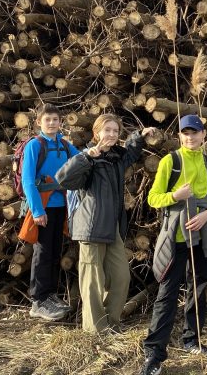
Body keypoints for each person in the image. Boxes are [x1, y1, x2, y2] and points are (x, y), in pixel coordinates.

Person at [140, 115, 207, 375]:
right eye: (185, 133)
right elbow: (153, 198)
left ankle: (192, 340)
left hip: (202, 237)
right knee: (167, 293)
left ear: (203, 136)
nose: (191, 137)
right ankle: (154, 352)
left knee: (198, 289)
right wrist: (175, 196)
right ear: (180, 136)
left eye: (195, 132)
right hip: (175, 239)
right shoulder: (170, 161)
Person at [56, 114, 154, 333]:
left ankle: (112, 322)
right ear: (96, 133)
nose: (111, 134)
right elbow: (63, 179)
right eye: (106, 130)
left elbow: (131, 153)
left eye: (115, 131)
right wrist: (86, 158)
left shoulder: (116, 158)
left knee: (121, 277)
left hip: (113, 228)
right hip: (91, 229)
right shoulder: (89, 157)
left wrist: (139, 136)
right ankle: (96, 330)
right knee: (92, 283)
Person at [21, 103, 80, 321]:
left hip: (60, 205)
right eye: (48, 120)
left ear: (60, 122)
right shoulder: (35, 145)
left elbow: (81, 159)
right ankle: (38, 300)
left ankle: (51, 296)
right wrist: (37, 210)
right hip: (43, 206)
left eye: (55, 119)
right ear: (39, 122)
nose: (52, 123)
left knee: (55, 251)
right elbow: (27, 180)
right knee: (43, 252)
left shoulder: (64, 145)